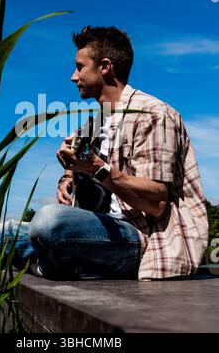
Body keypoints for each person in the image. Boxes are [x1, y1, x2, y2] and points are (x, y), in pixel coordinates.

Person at [28, 25, 209, 281]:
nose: (72, 76)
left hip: (143, 239)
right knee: (2, 232)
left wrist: (94, 168)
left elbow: (156, 203)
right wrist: (67, 177)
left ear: (104, 66)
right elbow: (78, 165)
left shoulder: (153, 114)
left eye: (80, 67)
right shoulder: (93, 124)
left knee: (47, 221)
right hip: (101, 231)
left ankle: (53, 264)